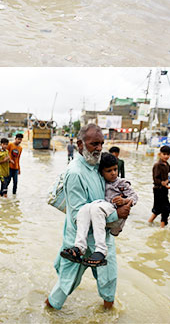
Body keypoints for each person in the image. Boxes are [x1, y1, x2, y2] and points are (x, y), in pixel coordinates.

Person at [46, 124, 130, 311]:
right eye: (94, 144)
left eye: (101, 143)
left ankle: (108, 316)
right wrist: (116, 215)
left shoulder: (99, 166)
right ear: (80, 145)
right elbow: (77, 216)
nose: (99, 148)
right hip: (79, 240)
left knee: (109, 279)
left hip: (103, 238)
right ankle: (48, 312)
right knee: (66, 284)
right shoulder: (75, 173)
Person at [60, 152, 138, 267]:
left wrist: (124, 201)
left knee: (96, 208)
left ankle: (101, 250)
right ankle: (79, 247)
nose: (113, 173)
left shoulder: (121, 183)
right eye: (109, 171)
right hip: (103, 211)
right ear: (101, 172)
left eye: (115, 169)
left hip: (113, 211)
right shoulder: (99, 180)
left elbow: (134, 197)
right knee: (85, 209)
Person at [148, 145, 170, 227]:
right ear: (160, 154)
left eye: (168, 154)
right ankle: (162, 227)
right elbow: (156, 179)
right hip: (158, 190)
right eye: (164, 154)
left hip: (163, 189)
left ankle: (150, 222)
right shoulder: (157, 165)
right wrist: (164, 184)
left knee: (158, 208)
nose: (166, 156)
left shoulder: (165, 164)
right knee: (166, 208)